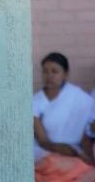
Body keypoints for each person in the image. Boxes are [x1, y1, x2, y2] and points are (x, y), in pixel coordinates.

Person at [33, 52, 95, 182]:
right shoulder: (35, 101)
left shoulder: (79, 97)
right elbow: (43, 141)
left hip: (74, 152)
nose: (49, 76)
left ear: (65, 74)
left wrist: (87, 157)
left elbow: (84, 136)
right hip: (46, 152)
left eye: (54, 71)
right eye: (45, 71)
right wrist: (73, 152)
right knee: (56, 165)